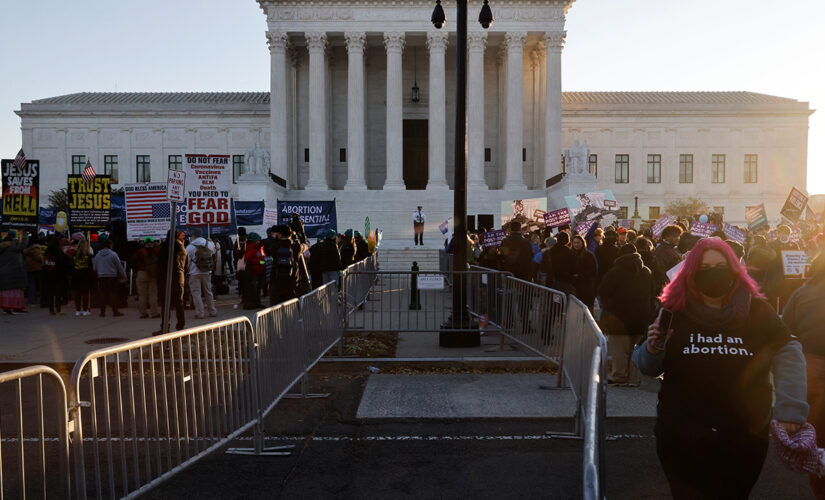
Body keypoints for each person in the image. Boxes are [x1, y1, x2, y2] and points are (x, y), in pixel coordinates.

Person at [633, 237, 808, 498]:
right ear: (690, 273)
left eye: (720, 266)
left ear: (735, 270)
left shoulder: (756, 310)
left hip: (745, 434)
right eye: (704, 268)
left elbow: (788, 351)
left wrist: (791, 408)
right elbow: (645, 365)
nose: (713, 273)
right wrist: (653, 349)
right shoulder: (673, 310)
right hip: (682, 433)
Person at [782, 254, 825, 499]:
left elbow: (786, 328)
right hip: (813, 367)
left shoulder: (802, 293)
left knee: (818, 436)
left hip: (812, 368)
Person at [599, 244, 657, 386]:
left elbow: (603, 292)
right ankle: (634, 378)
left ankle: (619, 375)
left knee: (619, 349)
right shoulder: (646, 271)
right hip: (641, 316)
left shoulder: (615, 271)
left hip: (619, 316)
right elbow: (653, 293)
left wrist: (609, 307)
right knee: (636, 348)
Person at [155, 230, 188, 333]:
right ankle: (181, 326)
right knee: (179, 303)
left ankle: (165, 327)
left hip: (166, 279)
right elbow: (186, 265)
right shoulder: (181, 248)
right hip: (179, 278)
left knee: (166, 305)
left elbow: (159, 264)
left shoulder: (164, 247)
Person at [185, 228, 217, 319]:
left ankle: (200, 313)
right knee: (208, 292)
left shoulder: (190, 246)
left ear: (193, 235)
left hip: (194, 273)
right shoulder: (209, 244)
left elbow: (187, 260)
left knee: (196, 293)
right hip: (207, 271)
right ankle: (212, 311)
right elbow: (213, 252)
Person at [93, 239, 126, 317]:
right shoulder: (113, 254)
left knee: (103, 294)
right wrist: (124, 276)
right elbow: (119, 266)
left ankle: (102, 312)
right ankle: (115, 311)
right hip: (112, 276)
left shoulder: (97, 255)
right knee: (113, 294)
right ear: (110, 245)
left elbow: (94, 268)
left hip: (101, 276)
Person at [0, 230, 29, 314]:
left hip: (3, 274)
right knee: (16, 291)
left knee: (6, 292)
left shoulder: (2, 248)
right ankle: (16, 307)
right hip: (15, 274)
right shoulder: (13, 248)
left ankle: (6, 307)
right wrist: (24, 234)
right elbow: (24, 244)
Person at [42, 237, 70, 315]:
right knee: (58, 292)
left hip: (48, 274)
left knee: (50, 292)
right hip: (58, 275)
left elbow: (45, 262)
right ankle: (58, 308)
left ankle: (51, 309)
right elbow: (63, 262)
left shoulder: (47, 251)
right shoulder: (59, 251)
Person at [570, 234, 597, 310]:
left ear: (582, 243)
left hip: (586, 286)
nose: (576, 244)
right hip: (573, 285)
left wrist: (580, 275)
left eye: (578, 242)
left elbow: (593, 270)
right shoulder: (570, 254)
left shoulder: (588, 255)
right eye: (574, 243)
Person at [71, 235, 94, 316]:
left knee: (77, 293)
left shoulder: (74, 255)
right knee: (85, 294)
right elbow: (91, 268)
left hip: (76, 275)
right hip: (85, 276)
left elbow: (72, 266)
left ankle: (77, 310)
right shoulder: (89, 256)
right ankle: (85, 310)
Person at [242, 232, 266, 309]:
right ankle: (251, 303)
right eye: (258, 239)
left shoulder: (260, 248)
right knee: (253, 287)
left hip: (259, 270)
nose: (259, 240)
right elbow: (249, 260)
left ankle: (257, 302)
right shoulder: (252, 248)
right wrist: (262, 262)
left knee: (257, 287)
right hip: (253, 271)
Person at [23, 234, 42, 306]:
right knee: (39, 284)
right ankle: (39, 299)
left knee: (31, 284)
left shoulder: (27, 249)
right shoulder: (35, 248)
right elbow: (39, 258)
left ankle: (31, 299)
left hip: (29, 267)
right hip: (37, 268)